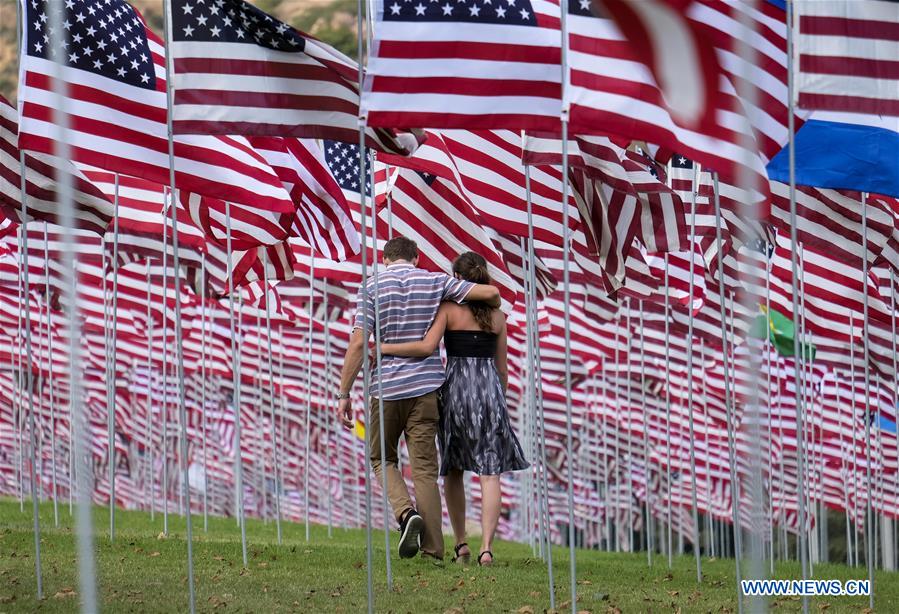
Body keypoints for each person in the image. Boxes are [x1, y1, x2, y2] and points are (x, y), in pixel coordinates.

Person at [336, 237, 502, 562]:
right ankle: (434, 551)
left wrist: (344, 393)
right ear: (415, 258)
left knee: (382, 459)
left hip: (385, 390)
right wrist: (474, 287)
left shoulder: (370, 287)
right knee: (425, 470)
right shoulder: (436, 280)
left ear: (384, 259)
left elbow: (358, 344)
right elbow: (490, 295)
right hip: (426, 389)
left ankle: (404, 513)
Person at [380, 252, 529, 567]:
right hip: (489, 394)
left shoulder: (448, 310)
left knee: (454, 471)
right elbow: (502, 370)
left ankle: (460, 543)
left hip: (456, 392)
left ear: (459, 281)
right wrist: (495, 398)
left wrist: (384, 347)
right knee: (491, 475)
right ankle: (486, 548)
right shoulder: (499, 317)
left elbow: (425, 347)